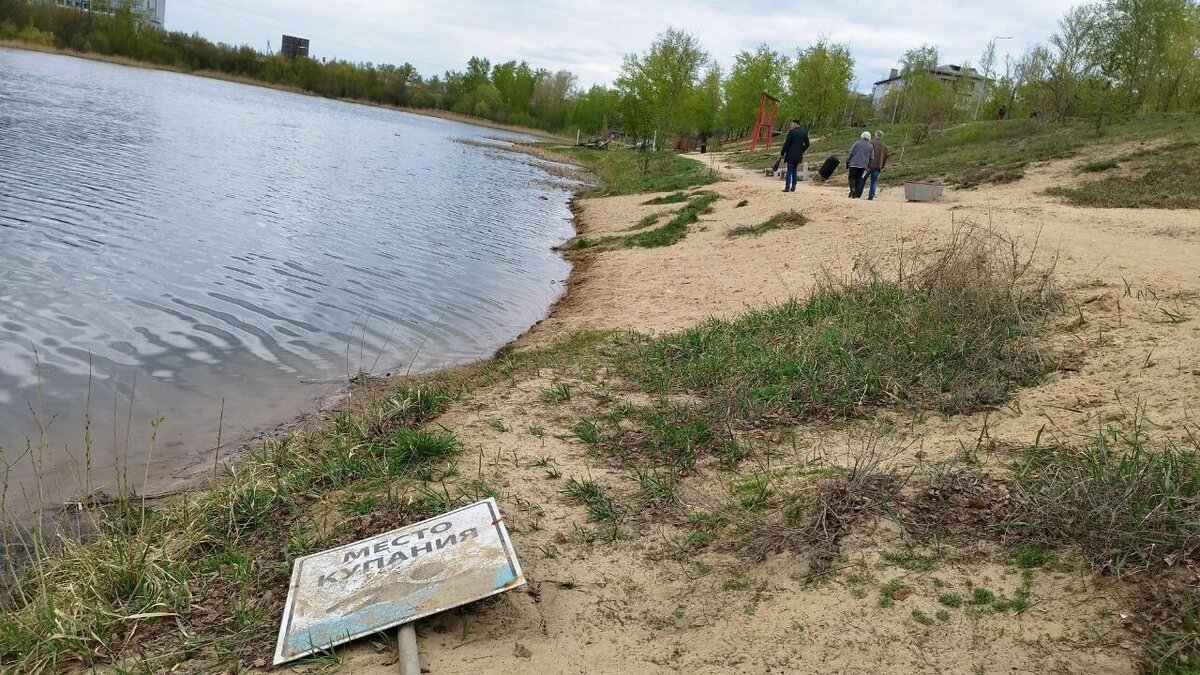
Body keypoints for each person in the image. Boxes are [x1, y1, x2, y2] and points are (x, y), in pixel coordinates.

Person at [779, 119, 810, 192]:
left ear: (796, 124)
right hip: (798, 155)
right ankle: (793, 186)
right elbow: (807, 144)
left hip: (790, 154)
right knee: (794, 170)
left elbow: (786, 144)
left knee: (789, 170)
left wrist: (782, 153)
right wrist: (802, 150)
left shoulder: (792, 132)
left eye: (792, 124)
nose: (791, 126)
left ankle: (787, 187)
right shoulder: (804, 132)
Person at [846, 131, 874, 198]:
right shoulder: (870, 146)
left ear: (862, 136)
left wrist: (847, 161)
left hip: (854, 164)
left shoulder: (856, 143)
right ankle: (855, 193)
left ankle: (852, 189)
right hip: (863, 165)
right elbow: (871, 157)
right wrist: (869, 166)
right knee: (858, 179)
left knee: (851, 178)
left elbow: (851, 153)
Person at [867, 130, 888, 200]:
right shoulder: (884, 146)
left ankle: (857, 193)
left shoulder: (870, 143)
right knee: (874, 181)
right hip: (878, 165)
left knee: (862, 179)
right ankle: (871, 196)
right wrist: (882, 166)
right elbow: (885, 157)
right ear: (882, 136)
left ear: (876, 135)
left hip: (868, 165)